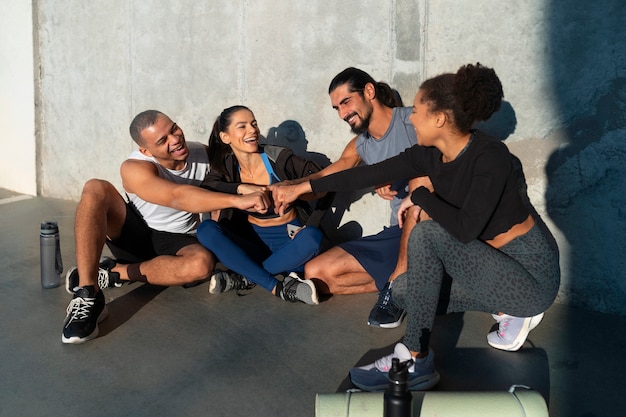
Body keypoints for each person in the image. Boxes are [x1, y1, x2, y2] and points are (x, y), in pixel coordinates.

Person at [270, 63, 560, 390]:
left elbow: (465, 229)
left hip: (531, 276)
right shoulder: (429, 155)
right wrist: (300, 188)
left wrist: (421, 195)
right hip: (492, 269)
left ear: (439, 119)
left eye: (418, 110)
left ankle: (414, 358)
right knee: (404, 291)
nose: (410, 117)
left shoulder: (490, 157)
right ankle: (505, 309)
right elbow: (362, 175)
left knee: (425, 232)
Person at [62, 110, 271, 344]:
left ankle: (111, 273)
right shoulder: (134, 167)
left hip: (181, 240)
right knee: (95, 187)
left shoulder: (204, 154)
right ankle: (87, 293)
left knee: (201, 265)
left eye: (174, 128)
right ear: (145, 150)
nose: (175, 139)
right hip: (137, 232)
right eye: (162, 141)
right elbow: (176, 197)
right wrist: (237, 198)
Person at [301, 67, 423, 328]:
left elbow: (444, 161)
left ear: (369, 91)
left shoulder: (413, 120)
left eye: (346, 102)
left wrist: (398, 176)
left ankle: (396, 290)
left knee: (420, 191)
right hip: (397, 234)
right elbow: (326, 176)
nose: (343, 114)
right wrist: (289, 187)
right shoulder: (362, 144)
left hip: (426, 224)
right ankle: (411, 281)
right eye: (337, 108)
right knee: (316, 274)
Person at [196, 105, 324, 305]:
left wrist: (308, 216)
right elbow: (205, 190)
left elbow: (326, 181)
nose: (252, 130)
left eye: (254, 124)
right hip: (254, 243)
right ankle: (277, 287)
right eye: (242, 126)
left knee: (313, 237)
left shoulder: (278, 158)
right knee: (206, 229)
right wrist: (241, 189)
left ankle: (245, 277)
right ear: (225, 137)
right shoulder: (227, 166)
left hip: (291, 243)